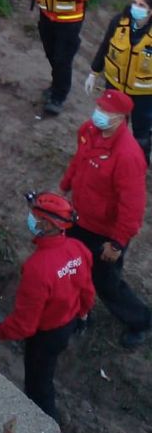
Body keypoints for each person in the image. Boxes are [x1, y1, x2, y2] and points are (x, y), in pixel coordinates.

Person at [60, 89, 150, 349]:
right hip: (78, 218)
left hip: (104, 232)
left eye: (106, 111)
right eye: (99, 107)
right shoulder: (89, 131)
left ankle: (141, 321)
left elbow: (132, 207)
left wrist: (117, 243)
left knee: (106, 281)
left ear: (121, 118)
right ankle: (80, 314)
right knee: (73, 268)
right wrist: (65, 186)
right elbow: (79, 161)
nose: (99, 113)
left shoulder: (128, 156)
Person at [0, 192, 94, 422]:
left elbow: (25, 325)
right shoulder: (78, 249)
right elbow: (87, 290)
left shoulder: (37, 268)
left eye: (35, 216)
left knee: (38, 386)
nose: (31, 219)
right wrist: (83, 314)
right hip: (70, 321)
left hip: (46, 336)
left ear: (48, 225)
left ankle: (47, 427)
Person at [20, 0, 93, 116]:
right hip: (46, 16)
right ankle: (56, 85)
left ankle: (58, 97)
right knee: (51, 55)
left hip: (69, 20)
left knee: (62, 59)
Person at [86, 0, 152, 163]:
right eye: (135, 3)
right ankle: (107, 160)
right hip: (115, 86)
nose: (135, 7)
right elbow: (105, 46)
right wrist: (94, 72)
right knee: (111, 127)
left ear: (150, 11)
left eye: (141, 5)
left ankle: (140, 163)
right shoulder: (119, 22)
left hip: (143, 94)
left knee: (141, 133)